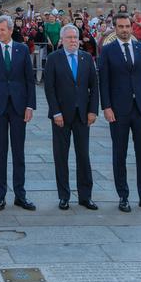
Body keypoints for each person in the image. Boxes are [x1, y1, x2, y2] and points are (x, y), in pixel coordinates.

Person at [98, 13, 141, 213]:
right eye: (121, 26)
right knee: (120, 153)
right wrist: (106, 107)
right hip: (118, 110)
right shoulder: (107, 51)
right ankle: (123, 196)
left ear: (132, 27)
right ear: (115, 28)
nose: (124, 30)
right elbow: (104, 82)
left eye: (127, 26)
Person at [0, 15, 36, 211]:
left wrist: (30, 106)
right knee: (0, 152)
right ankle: (1, 195)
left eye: (3, 30)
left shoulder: (22, 50)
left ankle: (20, 195)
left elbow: (30, 80)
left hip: (19, 108)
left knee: (19, 153)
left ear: (11, 30)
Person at [43, 24, 99, 210]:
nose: (73, 41)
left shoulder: (86, 58)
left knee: (83, 155)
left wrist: (93, 111)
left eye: (75, 37)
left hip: (82, 115)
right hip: (61, 115)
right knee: (61, 156)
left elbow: (94, 87)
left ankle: (85, 196)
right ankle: (64, 196)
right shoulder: (53, 59)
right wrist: (55, 112)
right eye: (69, 38)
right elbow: (49, 88)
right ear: (62, 40)